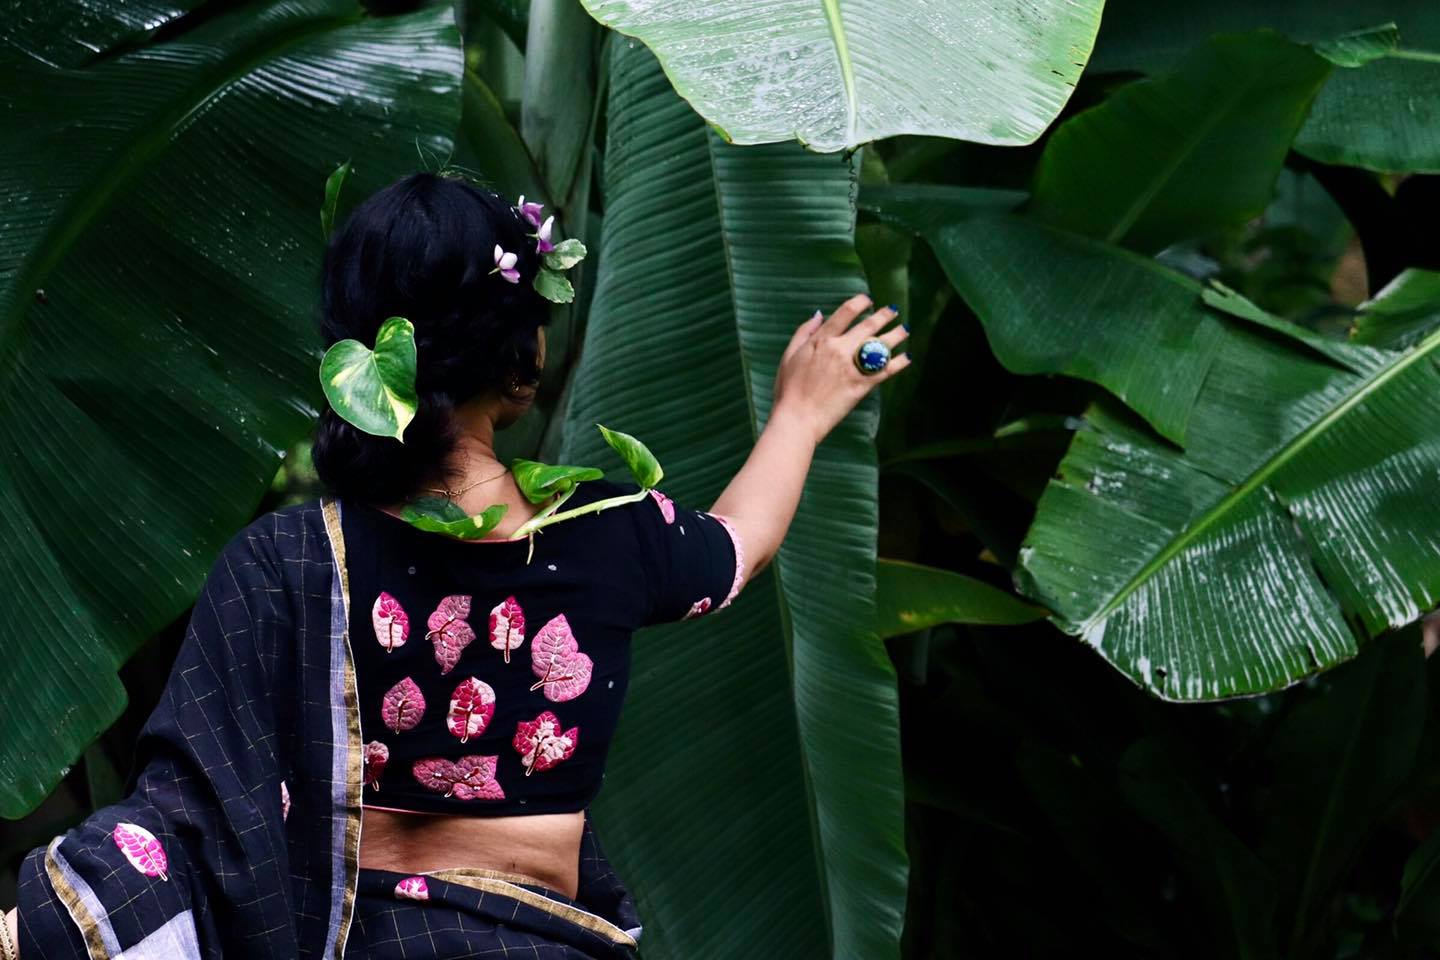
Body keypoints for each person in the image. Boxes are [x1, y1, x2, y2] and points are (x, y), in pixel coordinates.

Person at [3, 171, 910, 959]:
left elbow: (191, 815)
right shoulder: (610, 528)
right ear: (522, 355)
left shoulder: (285, 558)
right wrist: (801, 411)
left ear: (355, 360)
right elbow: (739, 544)